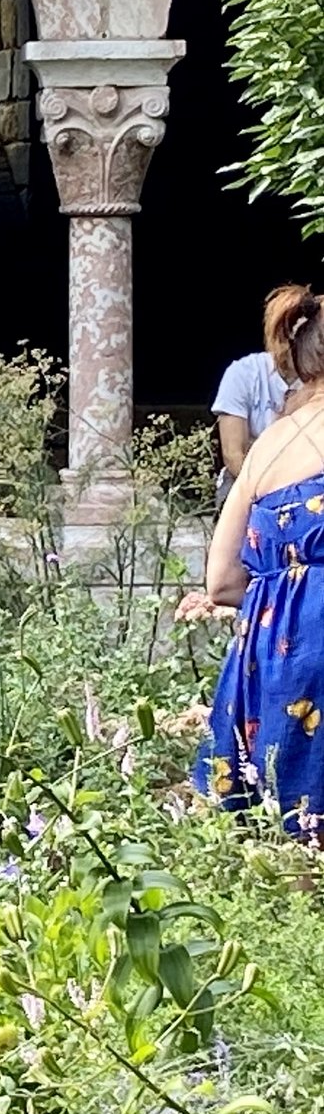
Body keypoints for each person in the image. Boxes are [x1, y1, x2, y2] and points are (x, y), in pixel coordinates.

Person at [189, 287, 324, 837]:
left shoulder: (267, 444)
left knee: (287, 838)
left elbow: (221, 581)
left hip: (267, 653)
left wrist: (290, 592)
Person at [214, 286, 311, 500]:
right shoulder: (242, 373)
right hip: (249, 479)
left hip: (306, 480)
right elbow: (233, 455)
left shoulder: (317, 381)